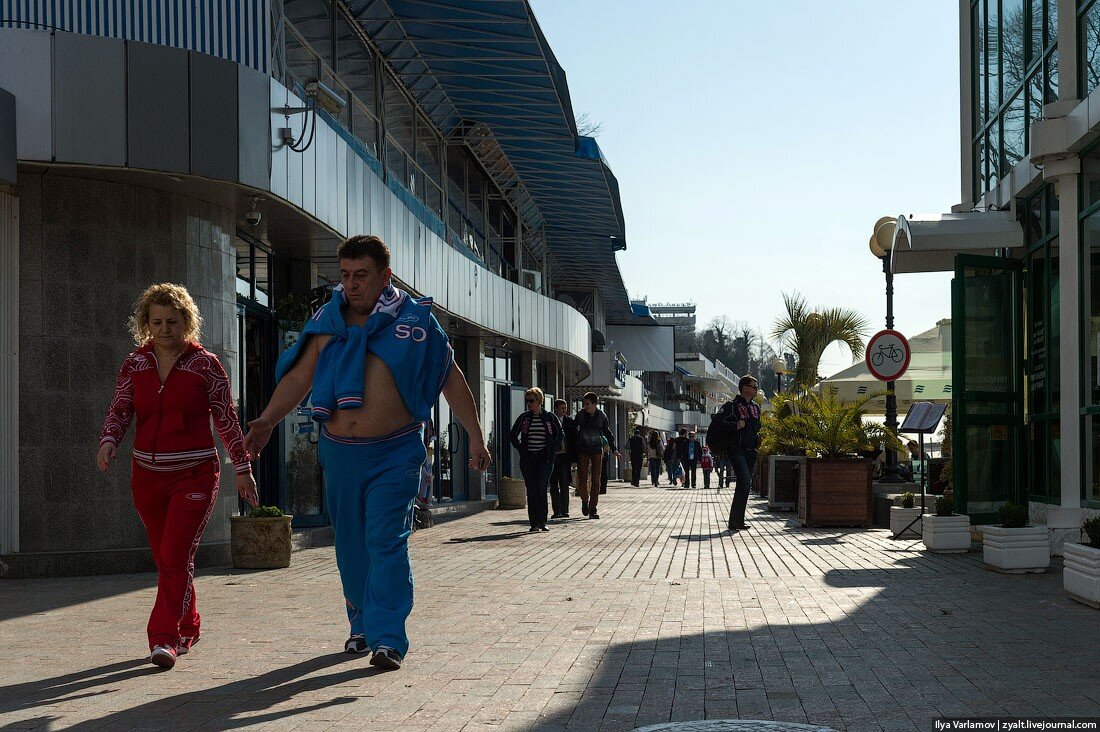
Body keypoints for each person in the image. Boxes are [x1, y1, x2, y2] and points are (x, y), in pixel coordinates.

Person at [242, 235, 491, 671]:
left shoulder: (415, 322)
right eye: (344, 275)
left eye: (361, 275)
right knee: (352, 547)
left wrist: (475, 436)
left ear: (384, 276)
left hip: (396, 451)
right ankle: (360, 623)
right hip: (340, 453)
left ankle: (388, 637)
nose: (351, 285)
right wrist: (266, 421)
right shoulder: (327, 321)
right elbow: (299, 380)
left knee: (386, 540)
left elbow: (450, 379)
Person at [97, 283, 259, 670]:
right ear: (146, 324)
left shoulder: (206, 364)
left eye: (173, 321)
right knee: (168, 558)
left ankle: (165, 639)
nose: (165, 329)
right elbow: (121, 407)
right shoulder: (135, 363)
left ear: (187, 321)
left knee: (173, 555)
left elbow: (226, 418)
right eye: (157, 322)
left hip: (195, 474)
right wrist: (108, 440)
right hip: (148, 477)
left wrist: (243, 468)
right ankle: (188, 624)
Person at [509, 387, 563, 532]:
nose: (529, 404)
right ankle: (534, 524)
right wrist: (521, 448)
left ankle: (542, 521)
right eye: (527, 401)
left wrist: (552, 449)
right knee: (532, 490)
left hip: (544, 459)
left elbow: (560, 434)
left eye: (531, 401)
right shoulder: (524, 418)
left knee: (541, 488)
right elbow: (513, 435)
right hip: (528, 459)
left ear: (539, 401)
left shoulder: (550, 417)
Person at [721, 375, 763, 531]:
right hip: (736, 450)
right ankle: (734, 521)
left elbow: (758, 426)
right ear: (745, 388)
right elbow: (719, 424)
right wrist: (735, 425)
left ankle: (738, 520)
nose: (756, 389)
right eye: (754, 386)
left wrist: (758, 436)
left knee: (745, 485)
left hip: (752, 451)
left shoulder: (756, 408)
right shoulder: (730, 406)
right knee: (744, 481)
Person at [574, 392, 618, 519]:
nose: (585, 406)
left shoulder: (602, 416)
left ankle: (593, 507)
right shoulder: (580, 415)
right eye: (584, 404)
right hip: (583, 449)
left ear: (594, 404)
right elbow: (574, 432)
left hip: (597, 451)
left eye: (588, 404)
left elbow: (608, 433)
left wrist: (614, 449)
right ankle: (584, 500)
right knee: (582, 479)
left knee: (596, 480)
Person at [549, 399, 576, 518]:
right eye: (562, 408)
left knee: (564, 483)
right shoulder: (549, 421)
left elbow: (574, 439)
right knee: (553, 484)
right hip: (553, 457)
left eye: (565, 408)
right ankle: (556, 511)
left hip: (565, 458)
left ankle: (565, 510)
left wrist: (574, 459)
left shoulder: (570, 421)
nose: (564, 410)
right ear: (555, 409)